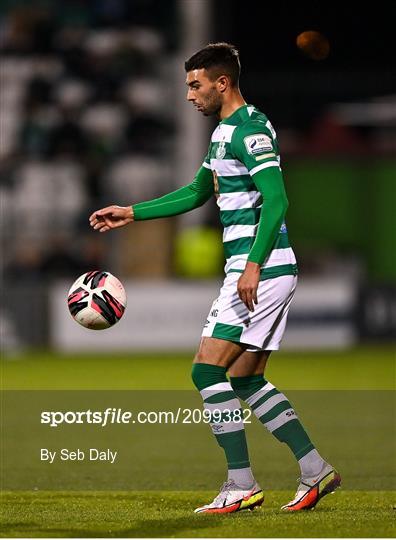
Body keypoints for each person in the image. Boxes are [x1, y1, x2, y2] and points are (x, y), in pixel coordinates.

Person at [89, 42, 341, 514]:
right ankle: (315, 470)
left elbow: (278, 201)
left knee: (206, 371)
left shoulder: (249, 132)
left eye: (195, 85)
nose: (188, 95)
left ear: (222, 82)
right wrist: (132, 212)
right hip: (256, 269)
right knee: (246, 380)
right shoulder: (225, 133)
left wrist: (252, 265)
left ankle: (241, 483)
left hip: (259, 270)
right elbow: (197, 192)